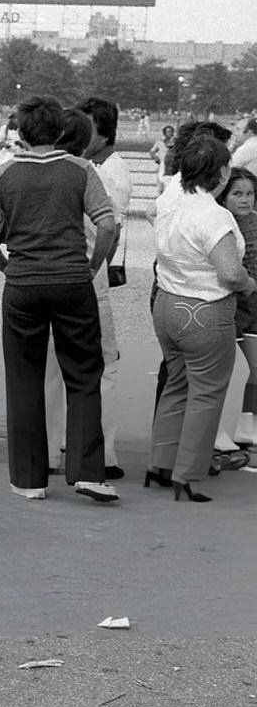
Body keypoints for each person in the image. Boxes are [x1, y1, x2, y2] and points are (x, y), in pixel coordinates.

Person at [0, 98, 118, 503]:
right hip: (73, 280)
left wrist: (6, 267)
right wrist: (91, 265)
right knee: (84, 374)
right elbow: (107, 225)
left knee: (24, 379)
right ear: (60, 130)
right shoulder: (80, 170)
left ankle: (29, 479)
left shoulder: (4, 174)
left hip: (23, 283)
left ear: (20, 132)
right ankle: (88, 471)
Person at [147, 134, 254, 503]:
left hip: (168, 304)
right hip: (205, 310)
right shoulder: (213, 215)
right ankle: (188, 474)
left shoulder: (172, 203)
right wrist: (249, 282)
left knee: (177, 385)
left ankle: (159, 462)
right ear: (222, 173)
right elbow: (229, 272)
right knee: (207, 393)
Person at [43, 98, 130, 481]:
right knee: (95, 366)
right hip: (83, 273)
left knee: (63, 367)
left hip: (55, 271)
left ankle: (62, 448)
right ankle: (96, 451)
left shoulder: (107, 172)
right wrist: (97, 266)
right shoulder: (91, 171)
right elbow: (110, 229)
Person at [217, 168, 257, 447]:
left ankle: (246, 424)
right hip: (227, 307)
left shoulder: (256, 224)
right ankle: (218, 430)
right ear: (224, 196)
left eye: (250, 194)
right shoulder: (220, 225)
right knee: (229, 371)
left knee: (254, 368)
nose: (245, 199)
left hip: (254, 308)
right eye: (237, 193)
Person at [151, 125, 175, 191]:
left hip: (171, 164)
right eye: (168, 132)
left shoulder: (175, 142)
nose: (170, 133)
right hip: (162, 163)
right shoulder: (159, 142)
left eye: (171, 131)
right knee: (161, 180)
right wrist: (155, 158)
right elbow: (152, 152)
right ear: (164, 133)